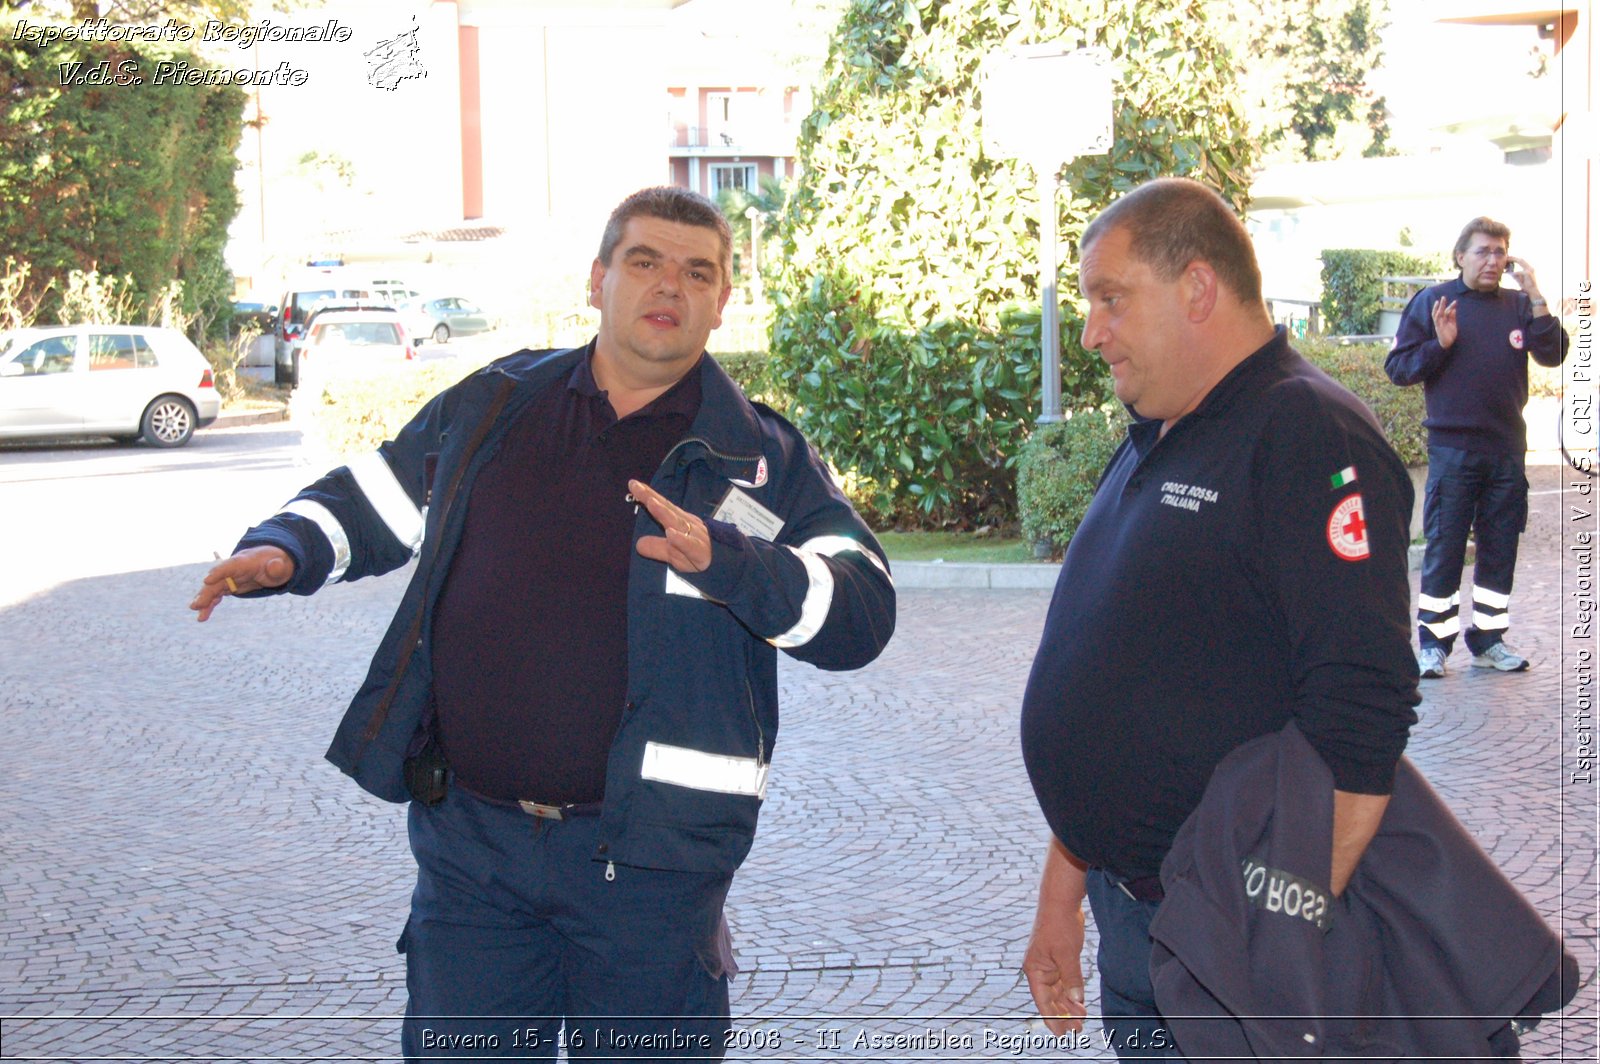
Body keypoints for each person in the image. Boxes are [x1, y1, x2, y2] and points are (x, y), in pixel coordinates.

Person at [190, 186, 896, 1061]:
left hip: (655, 877)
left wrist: (734, 563)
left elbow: (862, 611)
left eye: (697, 272)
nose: (667, 285)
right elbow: (376, 496)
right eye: (644, 262)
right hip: (474, 860)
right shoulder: (496, 404)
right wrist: (287, 549)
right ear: (599, 279)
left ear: (720, 303)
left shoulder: (759, 459)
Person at [1018, 178, 1419, 1059]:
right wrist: (1062, 898)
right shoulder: (1161, 432)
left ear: (1198, 289)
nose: (1091, 333)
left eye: (1110, 299)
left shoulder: (1309, 433)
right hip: (1138, 919)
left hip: (1225, 944)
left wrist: (1269, 943)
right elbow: (1123, 687)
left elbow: (1363, 714)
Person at [1385, 217, 1570, 678]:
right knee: (1445, 549)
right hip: (1453, 451)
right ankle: (1433, 645)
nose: (1493, 260)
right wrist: (1440, 345)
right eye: (1484, 251)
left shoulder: (1517, 305)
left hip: (1507, 449)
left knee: (1500, 547)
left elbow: (1554, 353)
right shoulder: (1434, 302)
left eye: (1501, 252)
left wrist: (1537, 296)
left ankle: (1489, 641)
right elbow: (1399, 367)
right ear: (1460, 256)